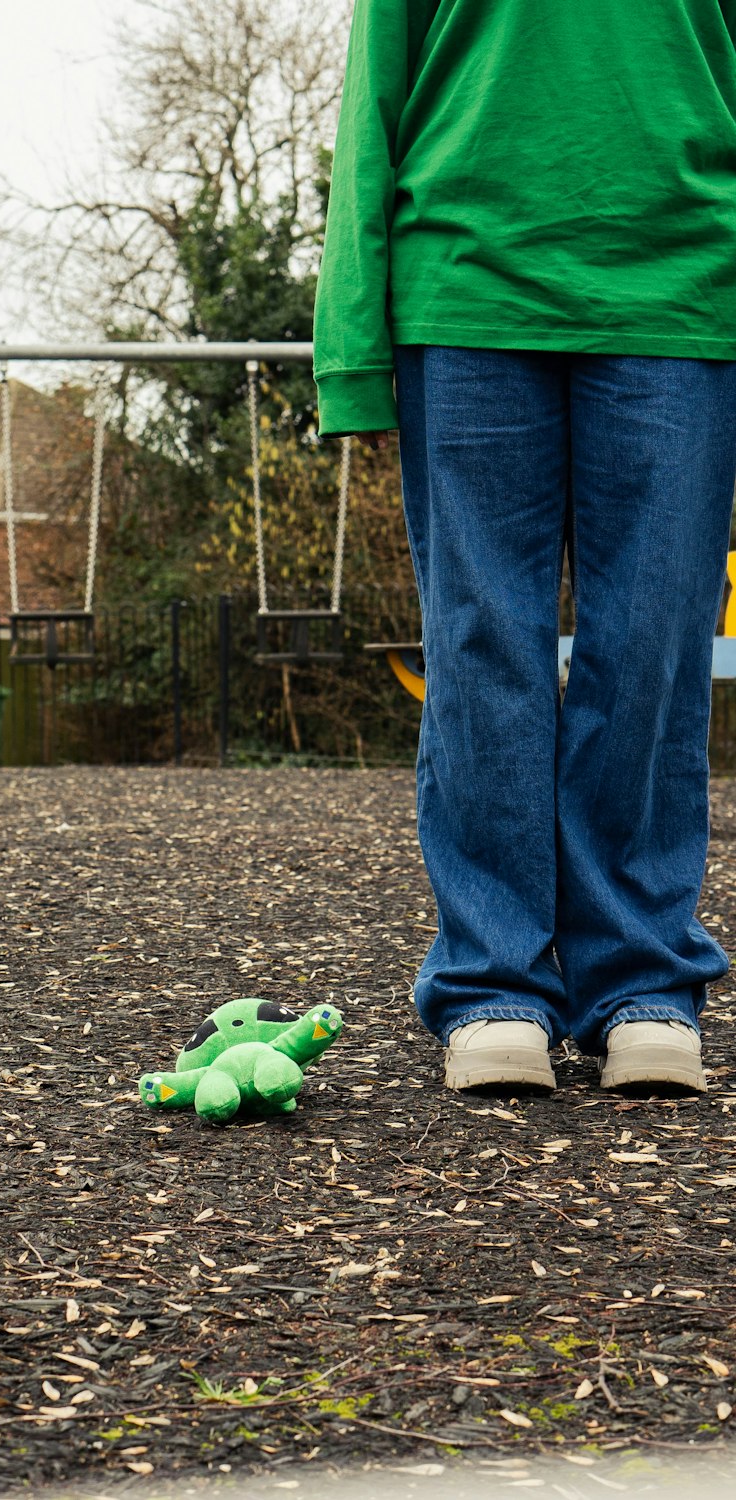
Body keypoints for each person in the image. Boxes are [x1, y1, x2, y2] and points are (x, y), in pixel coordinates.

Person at [312, 0, 736, 1096]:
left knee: (652, 644)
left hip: (684, 286)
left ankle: (641, 980)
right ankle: (492, 978)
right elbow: (375, 100)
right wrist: (351, 345)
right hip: (464, 283)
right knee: (480, 645)